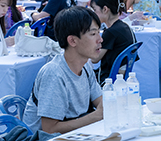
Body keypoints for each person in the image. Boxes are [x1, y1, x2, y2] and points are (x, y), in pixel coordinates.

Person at [23, 7, 103, 138]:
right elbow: (49, 129)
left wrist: (101, 111)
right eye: (93, 34)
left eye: (99, 33)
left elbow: (100, 102)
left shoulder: (85, 67)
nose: (100, 39)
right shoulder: (54, 74)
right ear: (72, 41)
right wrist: (95, 116)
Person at [90, 0, 135, 84]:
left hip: (108, 79)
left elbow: (94, 59)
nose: (93, 14)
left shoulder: (111, 32)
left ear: (105, 9)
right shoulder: (125, 27)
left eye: (95, 10)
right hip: (122, 78)